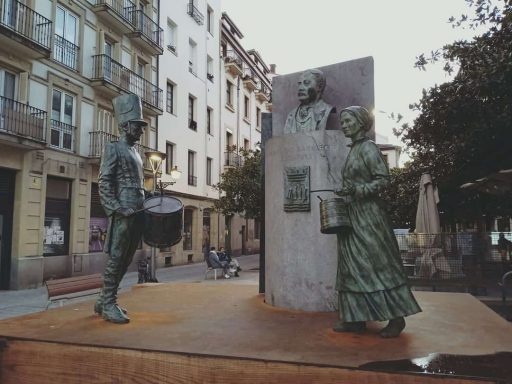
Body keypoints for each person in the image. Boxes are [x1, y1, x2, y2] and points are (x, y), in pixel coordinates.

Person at [334, 106, 421, 338]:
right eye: (342, 121)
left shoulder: (369, 148)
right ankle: (356, 318)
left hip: (370, 217)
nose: (343, 124)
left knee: (378, 265)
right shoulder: (353, 150)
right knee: (352, 267)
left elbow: (384, 180)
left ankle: (397, 318)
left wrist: (358, 189)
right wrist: (347, 190)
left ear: (361, 122)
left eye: (348, 120)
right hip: (353, 215)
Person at [94, 93, 150, 324]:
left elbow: (138, 183)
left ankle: (103, 299)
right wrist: (116, 208)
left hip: (137, 208)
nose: (141, 130)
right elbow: (104, 182)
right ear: (126, 126)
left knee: (127, 258)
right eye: (138, 126)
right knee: (117, 257)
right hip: (124, 209)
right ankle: (108, 304)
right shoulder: (113, 148)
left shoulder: (136, 153)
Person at [284, 69, 334, 134]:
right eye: (299, 84)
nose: (300, 88)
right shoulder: (291, 115)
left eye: (306, 83)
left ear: (320, 86)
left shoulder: (326, 110)